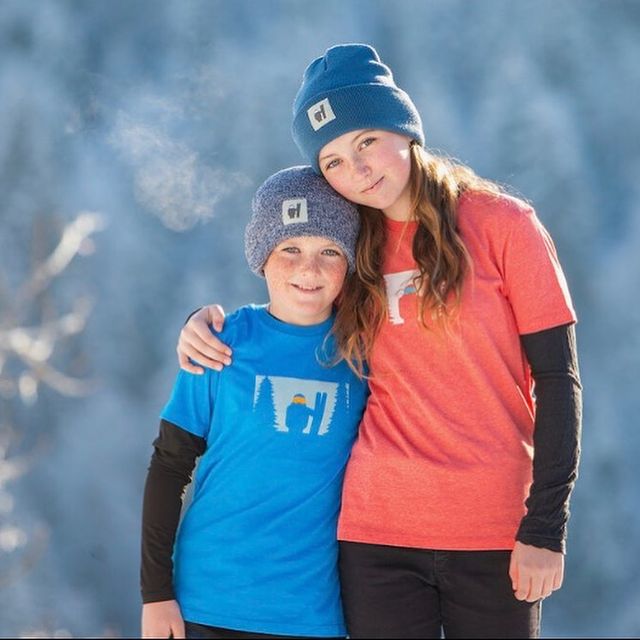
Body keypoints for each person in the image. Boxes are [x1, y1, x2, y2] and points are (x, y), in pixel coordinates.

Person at [176, 44, 582, 639]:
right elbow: (287, 306)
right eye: (334, 161)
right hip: (374, 532)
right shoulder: (351, 245)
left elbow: (558, 379)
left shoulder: (504, 225)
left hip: (493, 526)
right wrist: (201, 324)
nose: (357, 169)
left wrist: (546, 525)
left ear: (404, 128)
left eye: (365, 141)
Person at [141, 166, 369, 639]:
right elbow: (168, 468)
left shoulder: (365, 354)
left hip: (313, 612)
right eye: (290, 249)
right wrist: (155, 593)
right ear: (262, 256)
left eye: (330, 251)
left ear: (349, 263)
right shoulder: (220, 344)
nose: (309, 269)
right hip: (206, 602)